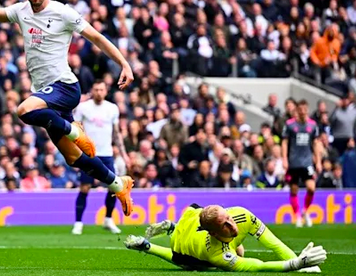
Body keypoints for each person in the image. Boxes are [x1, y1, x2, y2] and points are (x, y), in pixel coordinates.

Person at [0, 0, 135, 215]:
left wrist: (124, 63)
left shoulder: (63, 13)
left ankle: (72, 129)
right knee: (73, 158)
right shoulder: (20, 11)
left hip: (65, 87)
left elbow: (97, 37)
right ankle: (117, 183)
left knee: (24, 110)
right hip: (48, 96)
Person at [124, 204, 326, 273]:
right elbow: (256, 266)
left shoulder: (242, 215)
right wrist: (293, 264)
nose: (233, 226)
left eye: (229, 218)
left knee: (238, 248)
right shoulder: (214, 252)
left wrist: (299, 262)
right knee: (192, 265)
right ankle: (148, 245)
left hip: (193, 214)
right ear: (212, 233)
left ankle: (173, 226)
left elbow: (272, 241)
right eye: (225, 226)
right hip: (184, 245)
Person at [72, 79, 126, 235]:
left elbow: (116, 133)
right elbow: (76, 129)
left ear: (106, 91)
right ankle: (78, 222)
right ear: (92, 90)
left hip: (107, 154)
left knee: (114, 186)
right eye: (96, 89)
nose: (99, 92)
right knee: (85, 187)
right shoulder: (83, 107)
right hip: (88, 154)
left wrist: (123, 154)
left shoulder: (112, 108)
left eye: (101, 90)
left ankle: (108, 219)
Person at [281, 100, 322, 228]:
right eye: (301, 109)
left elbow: (315, 143)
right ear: (297, 110)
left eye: (305, 109)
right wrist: (284, 159)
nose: (303, 111)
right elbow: (285, 142)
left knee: (311, 188)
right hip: (293, 162)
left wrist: (318, 160)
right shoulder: (290, 125)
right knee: (294, 190)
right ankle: (297, 216)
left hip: (307, 162)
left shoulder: (313, 126)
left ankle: (304, 210)